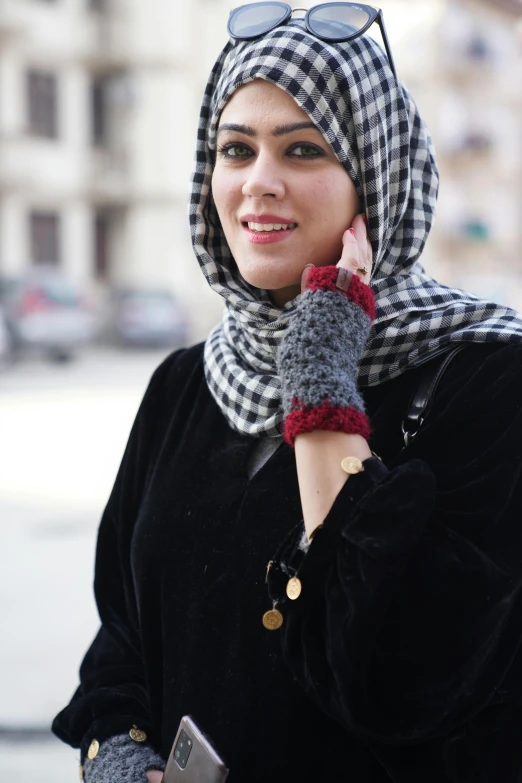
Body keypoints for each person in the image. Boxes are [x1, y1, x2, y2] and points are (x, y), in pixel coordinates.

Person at [52, 5, 522, 782]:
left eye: (303, 149)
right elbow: (123, 635)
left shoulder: (487, 379)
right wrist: (120, 757)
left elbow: (413, 678)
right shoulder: (184, 384)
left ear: (377, 177)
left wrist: (321, 371)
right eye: (235, 149)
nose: (257, 183)